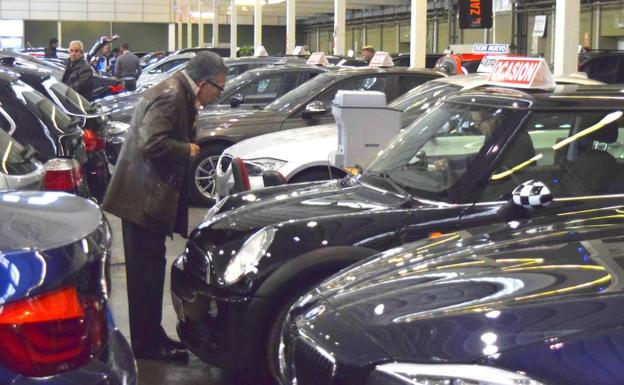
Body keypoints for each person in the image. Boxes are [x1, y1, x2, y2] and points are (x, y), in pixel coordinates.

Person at [102, 52, 228, 362]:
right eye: (219, 87)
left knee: (150, 273)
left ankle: (152, 334)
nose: (220, 94)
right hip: (141, 201)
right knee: (145, 276)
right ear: (203, 83)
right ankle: (146, 345)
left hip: (146, 200)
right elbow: (151, 143)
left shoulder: (177, 92)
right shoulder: (172, 96)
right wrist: (187, 148)